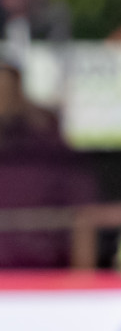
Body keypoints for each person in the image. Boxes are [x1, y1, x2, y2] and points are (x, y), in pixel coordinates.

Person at [0, 62, 96, 268]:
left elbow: (83, 213)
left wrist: (82, 280)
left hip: (42, 275)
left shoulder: (47, 147)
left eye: (6, 89)